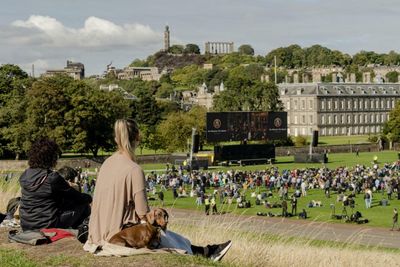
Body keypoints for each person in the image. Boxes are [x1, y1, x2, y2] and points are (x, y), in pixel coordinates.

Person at [84, 119, 231, 261]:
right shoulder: (134, 170)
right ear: (138, 137)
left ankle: (206, 251)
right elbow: (144, 214)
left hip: (96, 235)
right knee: (172, 238)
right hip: (119, 236)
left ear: (116, 139)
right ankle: (207, 252)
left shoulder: (106, 164)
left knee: (172, 237)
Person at [19, 138, 92, 231]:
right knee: (84, 204)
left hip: (26, 223)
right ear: (51, 158)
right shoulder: (52, 178)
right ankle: (79, 233)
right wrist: (87, 196)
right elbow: (77, 197)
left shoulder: (25, 175)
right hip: (48, 224)